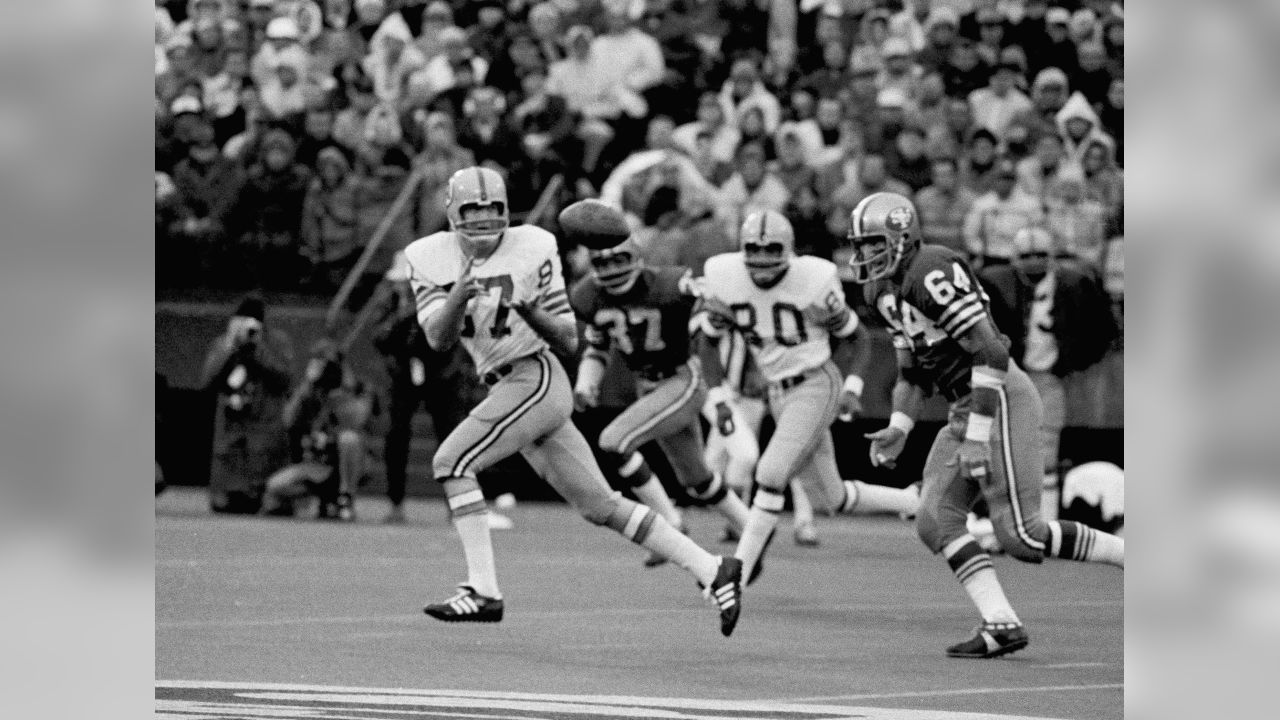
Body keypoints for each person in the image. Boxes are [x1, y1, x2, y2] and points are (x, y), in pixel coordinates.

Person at [405, 167, 744, 635]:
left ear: (506, 212)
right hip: (503, 383)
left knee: (451, 461)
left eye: (492, 212)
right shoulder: (427, 256)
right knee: (600, 506)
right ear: (451, 212)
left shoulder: (534, 246)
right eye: (472, 212)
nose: (483, 222)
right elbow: (438, 340)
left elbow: (567, 338)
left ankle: (483, 590)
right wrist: (459, 295)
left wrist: (528, 308)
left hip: (535, 375)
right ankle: (712, 569)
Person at [849, 191, 1124, 658]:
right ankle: (1001, 622)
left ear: (902, 235)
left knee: (1022, 535)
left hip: (1000, 397)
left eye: (874, 243)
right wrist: (900, 424)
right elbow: (912, 371)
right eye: (860, 245)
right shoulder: (882, 290)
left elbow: (993, 351)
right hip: (965, 404)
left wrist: (976, 438)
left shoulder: (929, 270)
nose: (864, 255)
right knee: (935, 519)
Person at [695, 210, 912, 582]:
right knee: (832, 497)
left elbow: (857, 338)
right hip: (778, 392)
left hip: (816, 382)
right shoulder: (725, 277)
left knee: (770, 472)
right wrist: (717, 397)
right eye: (754, 249)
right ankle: (916, 500)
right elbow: (708, 342)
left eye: (771, 249)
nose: (762, 259)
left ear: (789, 250)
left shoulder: (813, 280)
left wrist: (852, 387)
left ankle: (738, 573)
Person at [565, 200, 752, 568]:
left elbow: (711, 305)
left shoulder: (669, 284)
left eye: (620, 260)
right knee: (697, 479)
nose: (613, 269)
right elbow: (599, 346)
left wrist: (704, 318)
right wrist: (587, 382)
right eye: (604, 263)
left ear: (636, 256)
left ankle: (670, 525)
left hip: (682, 379)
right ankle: (752, 527)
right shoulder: (588, 295)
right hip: (647, 386)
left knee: (613, 441)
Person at [979, 226, 1119, 517]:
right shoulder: (994, 283)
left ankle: (1044, 519)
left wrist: (1075, 361)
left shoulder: (1076, 283)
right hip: (1006, 373)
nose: (1033, 262)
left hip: (1048, 376)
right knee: (997, 442)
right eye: (1026, 256)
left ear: (1053, 256)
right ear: (1013, 258)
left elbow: (1105, 328)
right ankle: (998, 518)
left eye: (1040, 255)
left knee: (1045, 447)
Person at [371, 254, 475, 524]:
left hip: (441, 375)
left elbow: (455, 335)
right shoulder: (391, 302)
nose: (402, 287)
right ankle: (396, 504)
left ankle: (457, 505)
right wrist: (402, 319)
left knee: (450, 437)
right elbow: (378, 338)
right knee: (396, 435)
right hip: (404, 374)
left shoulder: (441, 297)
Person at [261, 338, 379, 520]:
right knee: (274, 487)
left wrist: (342, 385)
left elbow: (356, 419)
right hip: (316, 465)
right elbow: (289, 420)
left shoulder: (357, 388)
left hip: (350, 464)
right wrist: (308, 385)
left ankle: (345, 498)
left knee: (350, 439)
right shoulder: (310, 391)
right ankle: (318, 501)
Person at [199, 293, 295, 513]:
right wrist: (230, 346)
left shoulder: (275, 342)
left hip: (264, 432)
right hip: (232, 434)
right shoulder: (224, 342)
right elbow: (207, 382)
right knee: (224, 505)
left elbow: (285, 380)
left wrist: (258, 349)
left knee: (271, 506)